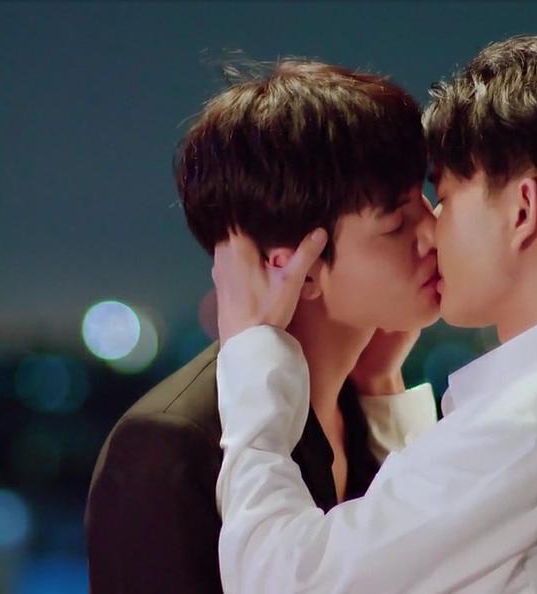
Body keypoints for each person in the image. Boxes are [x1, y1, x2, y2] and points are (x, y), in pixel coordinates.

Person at [211, 35, 537, 593]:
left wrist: (251, 351)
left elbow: (280, 579)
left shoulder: (530, 429)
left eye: (445, 197)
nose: (432, 230)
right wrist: (382, 391)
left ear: (523, 210)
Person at [85, 59, 444, 593]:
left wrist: (385, 392)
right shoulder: (170, 443)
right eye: (396, 222)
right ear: (294, 264)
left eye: (425, 199)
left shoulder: (361, 402)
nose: (433, 233)